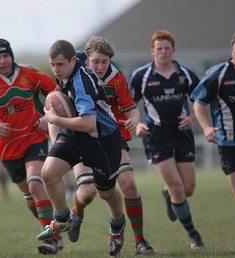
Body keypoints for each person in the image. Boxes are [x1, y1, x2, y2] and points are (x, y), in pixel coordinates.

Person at [0, 39, 61, 254]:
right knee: (29, 198)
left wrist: (50, 117)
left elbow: (57, 92)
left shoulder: (30, 73)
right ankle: (56, 225)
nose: (3, 61)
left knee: (36, 184)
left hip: (34, 137)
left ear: (11, 55)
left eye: (6, 56)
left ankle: (51, 240)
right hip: (7, 148)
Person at [61, 36, 154, 255]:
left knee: (128, 183)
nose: (101, 66)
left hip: (112, 136)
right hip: (81, 138)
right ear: (86, 60)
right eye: (96, 61)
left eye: (105, 61)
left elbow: (130, 106)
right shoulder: (73, 74)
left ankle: (138, 240)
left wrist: (134, 118)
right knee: (87, 193)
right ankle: (77, 213)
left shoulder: (116, 77)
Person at [36, 39, 125, 257]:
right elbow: (76, 53)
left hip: (102, 140)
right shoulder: (73, 59)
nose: (56, 70)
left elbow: (89, 123)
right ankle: (62, 218)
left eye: (59, 65)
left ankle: (117, 227)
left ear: (72, 62)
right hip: (75, 134)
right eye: (53, 64)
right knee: (48, 173)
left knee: (106, 193)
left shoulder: (81, 83)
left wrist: (54, 119)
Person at [129, 30, 205, 249]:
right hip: (156, 136)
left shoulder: (185, 74)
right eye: (159, 48)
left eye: (167, 48)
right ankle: (194, 235)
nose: (163, 52)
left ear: (173, 50)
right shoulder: (141, 76)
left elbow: (201, 99)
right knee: (177, 187)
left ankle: (168, 193)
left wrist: (192, 117)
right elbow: (128, 104)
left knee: (188, 188)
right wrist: (138, 124)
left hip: (182, 134)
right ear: (152, 51)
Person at [192, 30, 235, 216]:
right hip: (228, 143)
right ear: (231, 51)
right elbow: (199, 104)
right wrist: (207, 127)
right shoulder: (218, 74)